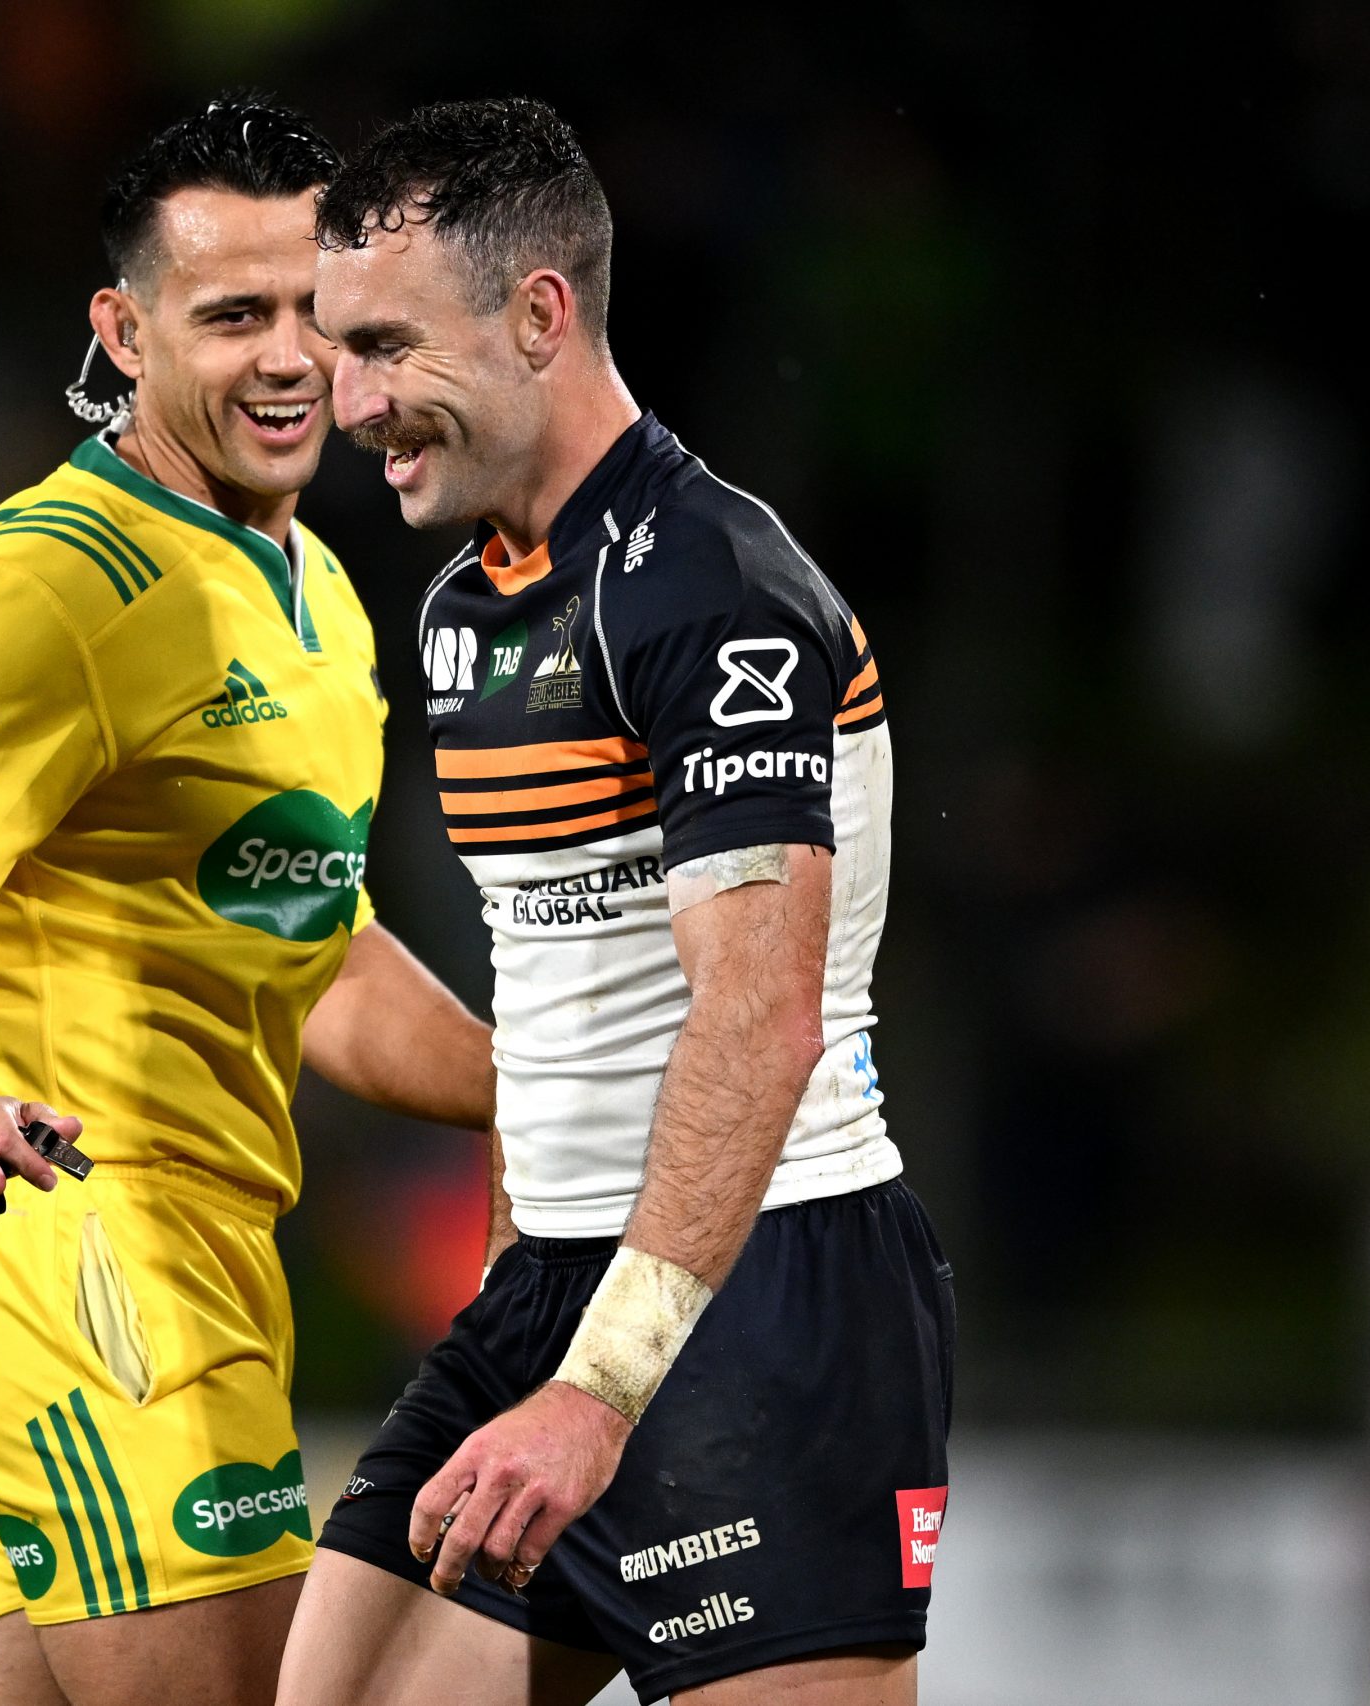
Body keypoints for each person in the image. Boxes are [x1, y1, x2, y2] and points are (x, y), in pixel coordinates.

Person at [0, 97, 494, 1706]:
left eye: (315, 311)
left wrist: (560, 1081)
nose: (287, 358)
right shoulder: (37, 592)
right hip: (84, 1279)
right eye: (231, 315)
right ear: (121, 332)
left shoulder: (318, 591)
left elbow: (317, 955)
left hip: (201, 1273)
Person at [287, 97, 954, 1706]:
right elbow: (557, 1000)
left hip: (766, 1301)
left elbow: (760, 1013)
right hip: (554, 1294)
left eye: (384, 345)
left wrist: (602, 1391)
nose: (348, 401)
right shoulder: (463, 609)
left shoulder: (717, 590)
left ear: (538, 315)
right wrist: (533, 1292)